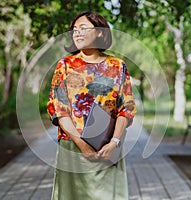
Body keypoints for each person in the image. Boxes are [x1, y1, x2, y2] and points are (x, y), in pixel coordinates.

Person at [47, 11, 136, 200]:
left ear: (100, 33)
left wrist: (114, 143)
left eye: (83, 28)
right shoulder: (65, 65)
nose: (77, 33)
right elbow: (59, 110)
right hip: (73, 146)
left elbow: (126, 109)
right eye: (74, 30)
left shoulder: (117, 66)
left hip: (107, 148)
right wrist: (82, 145)